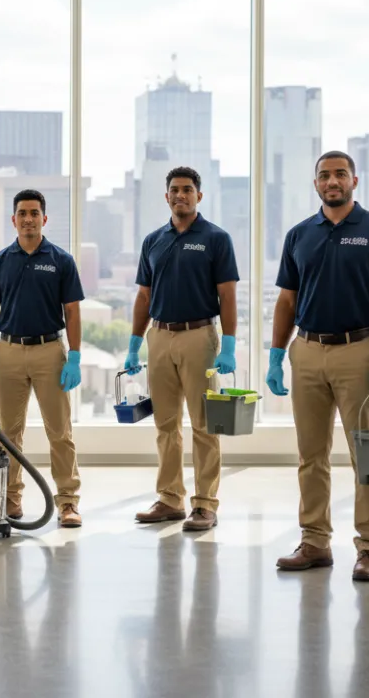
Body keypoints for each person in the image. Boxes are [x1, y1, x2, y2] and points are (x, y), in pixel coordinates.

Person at [266, 150, 369, 582]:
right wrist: (276, 354)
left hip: (358, 351)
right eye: (325, 175)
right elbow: (287, 300)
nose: (332, 181)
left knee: (367, 454)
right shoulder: (299, 235)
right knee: (311, 455)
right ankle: (314, 541)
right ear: (315, 184)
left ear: (354, 181)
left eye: (340, 174)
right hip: (306, 351)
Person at [123, 167, 239, 531]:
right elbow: (144, 295)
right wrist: (134, 343)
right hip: (159, 336)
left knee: (204, 425)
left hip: (199, 336)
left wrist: (230, 343)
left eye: (188, 190)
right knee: (165, 424)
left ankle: (205, 504)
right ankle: (170, 498)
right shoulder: (153, 240)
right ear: (166, 196)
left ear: (199, 196)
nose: (180, 195)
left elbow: (228, 295)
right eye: (174, 189)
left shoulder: (216, 238)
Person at [0, 189, 85, 528]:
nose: (28, 219)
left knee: (60, 431)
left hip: (49, 352)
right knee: (8, 433)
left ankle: (67, 502)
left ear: (44, 219)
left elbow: (72, 311)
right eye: (22, 213)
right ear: (13, 219)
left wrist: (75, 356)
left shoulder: (61, 260)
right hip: (7, 352)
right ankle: (11, 500)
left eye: (34, 213)